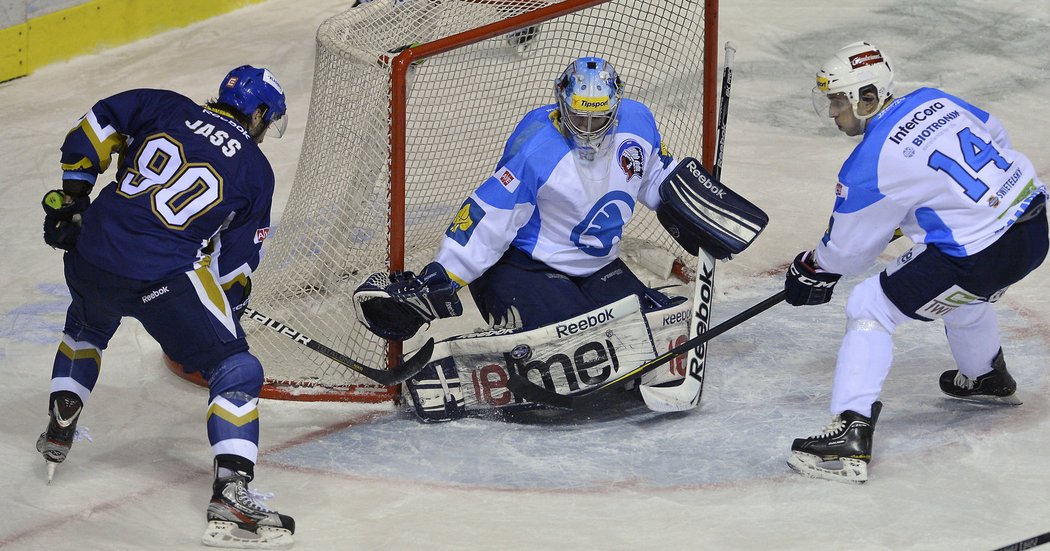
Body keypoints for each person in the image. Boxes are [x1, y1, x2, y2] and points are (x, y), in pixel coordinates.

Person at [37, 65, 296, 547]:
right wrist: (229, 310)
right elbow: (234, 266)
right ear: (258, 112)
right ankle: (232, 489)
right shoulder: (256, 171)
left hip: (90, 253)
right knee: (234, 367)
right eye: (268, 118)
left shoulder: (163, 104)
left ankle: (61, 419)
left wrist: (75, 196)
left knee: (87, 327)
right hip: (164, 279)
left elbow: (96, 125)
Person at [783, 41, 1048, 483]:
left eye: (836, 100)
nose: (832, 114)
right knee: (956, 294)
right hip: (1034, 226)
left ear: (866, 97)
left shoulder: (868, 164)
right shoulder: (934, 98)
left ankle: (849, 435)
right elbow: (995, 135)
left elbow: (848, 254)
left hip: (978, 254)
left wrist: (810, 268)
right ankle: (984, 376)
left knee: (869, 305)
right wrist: (941, 205)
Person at [357, 56, 697, 342]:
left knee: (652, 332)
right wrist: (443, 275)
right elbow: (490, 215)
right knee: (574, 338)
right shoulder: (537, 149)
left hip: (596, 267)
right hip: (525, 266)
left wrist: (694, 209)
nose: (590, 130)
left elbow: (657, 175)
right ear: (562, 105)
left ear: (616, 108)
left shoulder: (637, 124)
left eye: (600, 118)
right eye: (580, 118)